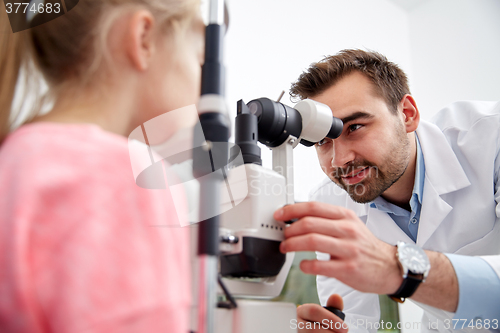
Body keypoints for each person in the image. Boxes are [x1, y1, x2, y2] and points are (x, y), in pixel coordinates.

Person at [0, 0, 204, 331]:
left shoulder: (15, 158)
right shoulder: (130, 178)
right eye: (200, 60)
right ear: (144, 38)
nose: (202, 87)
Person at [273, 49, 500, 332]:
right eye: (322, 141)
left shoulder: (491, 137)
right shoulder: (329, 200)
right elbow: (355, 320)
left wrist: (401, 268)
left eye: (355, 127)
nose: (339, 160)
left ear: (407, 115)